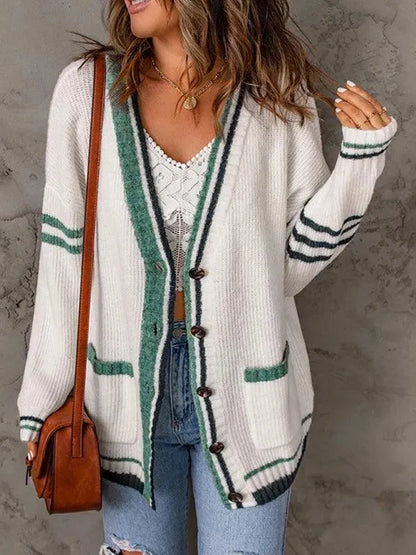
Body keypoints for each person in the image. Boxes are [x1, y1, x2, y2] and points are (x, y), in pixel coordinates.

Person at [17, 0, 398, 553]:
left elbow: (286, 268)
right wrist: (42, 400)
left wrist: (359, 164)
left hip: (251, 397)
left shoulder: (275, 93)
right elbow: (63, 257)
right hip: (122, 401)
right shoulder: (89, 90)